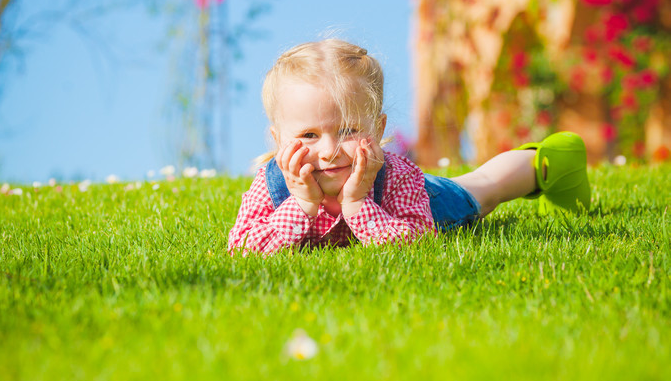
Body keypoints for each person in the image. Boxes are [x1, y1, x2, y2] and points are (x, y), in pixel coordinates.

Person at [228, 38, 591, 256]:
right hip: (312, 200)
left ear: (378, 128)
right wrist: (302, 204)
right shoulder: (271, 185)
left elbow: (417, 243)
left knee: (481, 189)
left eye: (348, 130)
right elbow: (243, 249)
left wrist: (357, 205)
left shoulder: (397, 177)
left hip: (421, 201)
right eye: (309, 135)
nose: (328, 151)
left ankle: (549, 162)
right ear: (278, 140)